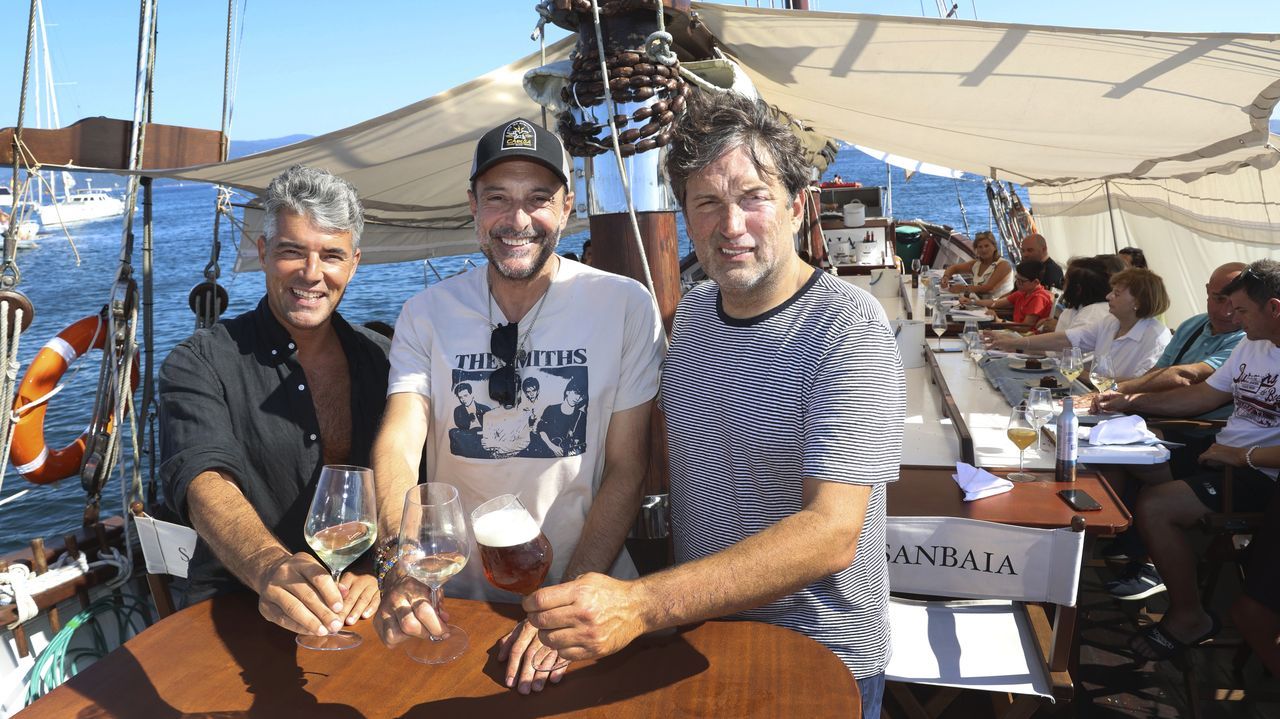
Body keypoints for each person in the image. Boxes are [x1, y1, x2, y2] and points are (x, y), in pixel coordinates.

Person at [521, 91, 904, 719]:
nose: (731, 227)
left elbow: (832, 533)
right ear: (687, 217)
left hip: (818, 653)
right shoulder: (694, 315)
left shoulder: (848, 327)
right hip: (702, 631)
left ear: (796, 205)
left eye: (754, 198)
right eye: (708, 203)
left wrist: (639, 604)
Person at [370, 118, 664, 695]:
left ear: (569, 205)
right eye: (498, 199)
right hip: (451, 604)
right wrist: (399, 566)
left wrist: (570, 602)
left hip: (587, 599)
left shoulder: (624, 305)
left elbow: (628, 467)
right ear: (473, 206)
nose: (518, 220)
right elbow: (398, 442)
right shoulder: (425, 313)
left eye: (538, 199)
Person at [159, 165, 389, 637]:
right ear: (263, 253)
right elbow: (204, 481)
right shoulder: (198, 363)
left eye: (331, 255)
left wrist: (381, 569)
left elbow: (413, 478)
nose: (312, 273)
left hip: (357, 611)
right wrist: (269, 567)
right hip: (236, 611)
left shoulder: (385, 359)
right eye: (291, 251)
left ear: (354, 263)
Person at [1091, 259, 1280, 661]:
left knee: (1157, 506)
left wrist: (1240, 455)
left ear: (1274, 308)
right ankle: (1139, 554)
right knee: (1113, 454)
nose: (1232, 315)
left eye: (1242, 309)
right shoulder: (1252, 344)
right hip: (1222, 456)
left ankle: (1188, 614)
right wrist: (1132, 403)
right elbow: (1204, 396)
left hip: (1258, 472)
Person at [1085, 262, 1245, 420]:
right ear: (1207, 290)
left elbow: (1184, 376)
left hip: (1191, 427)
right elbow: (1157, 373)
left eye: (1238, 305)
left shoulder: (1246, 340)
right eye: (1219, 299)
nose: (1227, 312)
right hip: (1157, 415)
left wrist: (1118, 393)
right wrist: (1117, 396)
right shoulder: (1192, 325)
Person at [989, 267, 1172, 381]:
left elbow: (1140, 385)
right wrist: (1014, 343)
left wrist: (1080, 375)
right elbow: (1066, 340)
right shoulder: (1111, 322)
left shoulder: (1156, 338)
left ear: (1138, 302)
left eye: (1116, 293)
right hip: (1094, 397)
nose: (1108, 297)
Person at [961, 259, 1053, 325]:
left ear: (1036, 282)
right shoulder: (1023, 292)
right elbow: (995, 303)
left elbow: (1026, 327)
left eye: (1021, 281)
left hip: (1026, 337)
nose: (1017, 284)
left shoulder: (1038, 298)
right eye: (1017, 279)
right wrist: (972, 302)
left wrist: (998, 320)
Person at [1037, 256, 1112, 333]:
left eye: (1063, 281)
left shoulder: (1088, 319)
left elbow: (1069, 342)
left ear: (1078, 289)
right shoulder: (1082, 308)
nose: (1062, 287)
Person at [940, 230, 1013, 299]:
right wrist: (946, 277)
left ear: (994, 247)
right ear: (976, 249)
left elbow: (989, 289)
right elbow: (954, 268)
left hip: (997, 308)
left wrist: (963, 288)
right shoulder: (976, 264)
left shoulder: (1003, 265)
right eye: (980, 247)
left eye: (987, 246)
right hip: (980, 303)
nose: (983, 250)